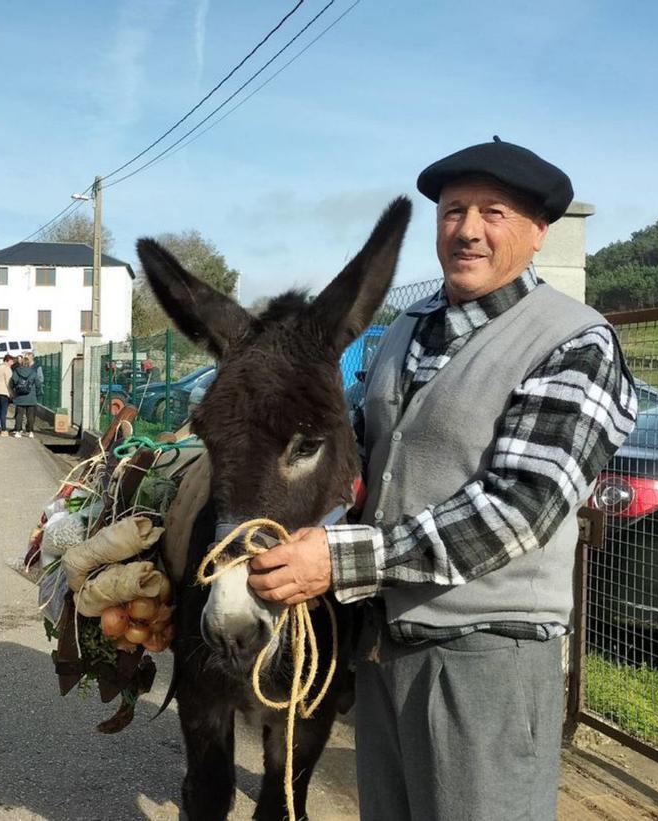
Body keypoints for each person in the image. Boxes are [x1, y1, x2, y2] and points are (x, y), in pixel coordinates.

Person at [245, 139, 638, 821]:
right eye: (453, 211)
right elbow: (360, 459)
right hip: (386, 651)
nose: (467, 230)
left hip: (487, 657)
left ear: (539, 231)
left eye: (494, 212)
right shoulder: (407, 329)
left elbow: (520, 508)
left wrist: (335, 559)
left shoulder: (575, 341)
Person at [10, 352, 43, 438]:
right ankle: (30, 432)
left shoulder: (17, 371)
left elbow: (12, 382)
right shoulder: (33, 372)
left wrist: (14, 391)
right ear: (29, 364)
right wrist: (38, 393)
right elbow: (38, 384)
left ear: (21, 363)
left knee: (19, 415)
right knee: (30, 415)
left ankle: (18, 431)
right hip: (31, 396)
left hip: (20, 396)